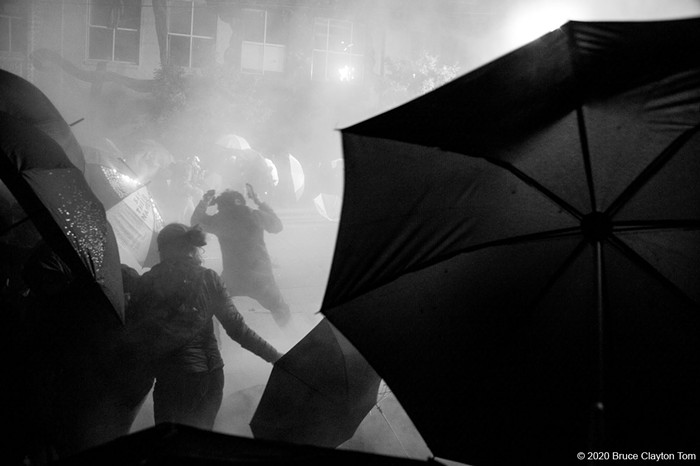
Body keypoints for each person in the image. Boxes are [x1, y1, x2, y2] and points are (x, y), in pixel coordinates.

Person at [130, 223, 282, 429]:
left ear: (164, 249)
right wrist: (275, 357)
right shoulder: (209, 277)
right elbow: (238, 329)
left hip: (175, 380)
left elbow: (134, 334)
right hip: (212, 377)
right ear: (192, 247)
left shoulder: (147, 282)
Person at [190, 184, 292, 329]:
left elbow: (196, 221)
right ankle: (296, 340)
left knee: (210, 306)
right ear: (239, 201)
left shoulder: (220, 220)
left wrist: (205, 201)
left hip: (233, 277)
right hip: (261, 277)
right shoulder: (254, 215)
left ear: (222, 206)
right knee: (279, 309)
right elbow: (277, 226)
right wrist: (259, 201)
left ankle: (215, 345)